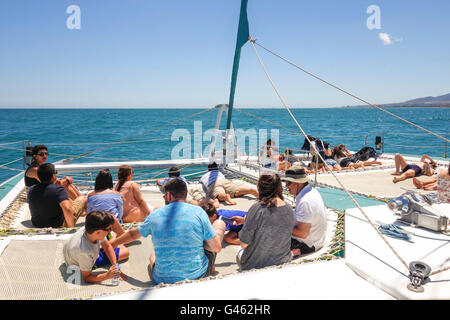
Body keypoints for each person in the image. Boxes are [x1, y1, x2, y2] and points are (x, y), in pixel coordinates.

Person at [110, 178, 226, 284]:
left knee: (153, 255)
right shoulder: (199, 212)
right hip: (197, 275)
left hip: (162, 279)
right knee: (219, 224)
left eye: (164, 195)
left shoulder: (154, 215)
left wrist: (112, 244)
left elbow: (132, 234)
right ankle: (209, 267)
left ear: (169, 195)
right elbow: (216, 248)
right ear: (184, 195)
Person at [234, 174, 295, 271]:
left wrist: (246, 223)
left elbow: (243, 244)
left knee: (239, 251)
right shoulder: (289, 208)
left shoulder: (257, 209)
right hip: (282, 262)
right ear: (279, 187)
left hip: (256, 265)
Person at [63, 210, 129, 284]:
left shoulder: (91, 229)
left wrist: (115, 266)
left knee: (113, 242)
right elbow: (87, 278)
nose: (110, 231)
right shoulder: (85, 252)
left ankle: (114, 239)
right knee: (125, 252)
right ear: (98, 232)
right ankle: (115, 240)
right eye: (109, 229)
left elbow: (107, 247)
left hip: (72, 254)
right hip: (80, 263)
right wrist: (107, 275)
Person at [281, 165, 327, 257]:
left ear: (299, 183)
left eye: (288, 182)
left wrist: (280, 226)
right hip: (315, 240)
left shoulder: (305, 202)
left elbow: (302, 234)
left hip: (306, 245)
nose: (286, 186)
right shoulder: (311, 191)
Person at [27, 163, 86, 228]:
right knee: (83, 198)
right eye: (55, 172)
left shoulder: (31, 189)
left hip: (37, 224)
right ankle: (90, 216)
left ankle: (83, 212)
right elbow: (67, 209)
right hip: (58, 225)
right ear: (53, 176)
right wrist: (70, 228)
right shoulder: (58, 190)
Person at [87, 169, 125, 236]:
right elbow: (120, 213)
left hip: (96, 225)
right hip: (112, 225)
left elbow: (89, 212)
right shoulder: (116, 194)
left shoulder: (91, 195)